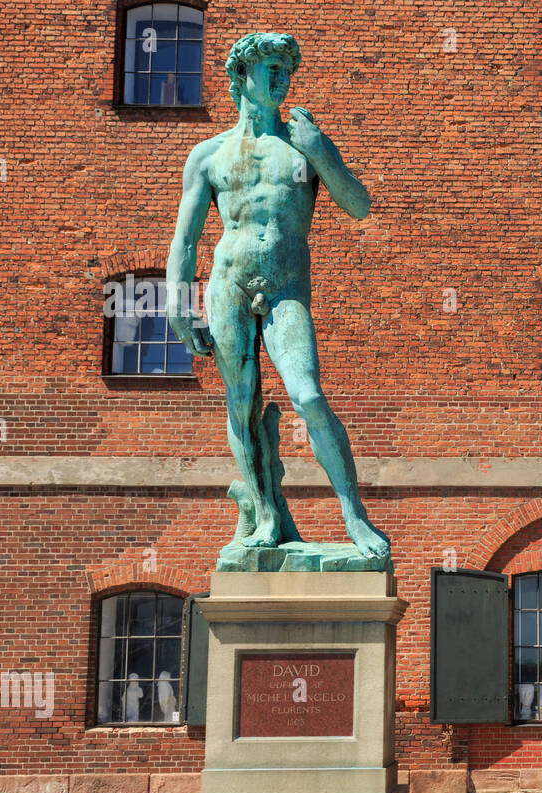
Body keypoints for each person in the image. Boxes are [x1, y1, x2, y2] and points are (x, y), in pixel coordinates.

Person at [165, 33, 389, 562]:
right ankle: (265, 515)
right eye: (269, 68)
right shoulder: (210, 154)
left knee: (308, 396)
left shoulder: (302, 142)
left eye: (286, 69)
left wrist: (320, 153)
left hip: (286, 287)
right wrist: (178, 305)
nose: (280, 77)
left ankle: (353, 514)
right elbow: (186, 238)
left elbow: (358, 205)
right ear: (240, 77)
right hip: (229, 285)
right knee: (241, 404)